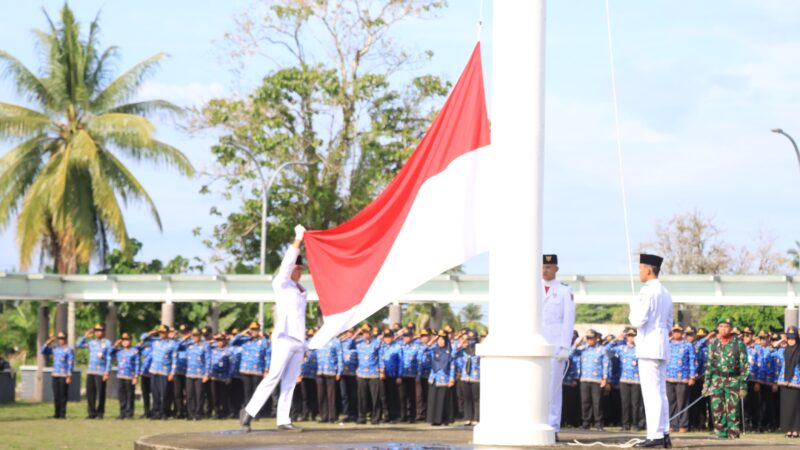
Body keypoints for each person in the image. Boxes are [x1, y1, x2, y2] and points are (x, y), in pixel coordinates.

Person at [240, 225, 308, 432]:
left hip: (298, 339)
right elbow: (287, 263)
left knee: (289, 382)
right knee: (274, 376)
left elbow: (301, 319)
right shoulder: (281, 283)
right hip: (284, 337)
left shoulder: (300, 290)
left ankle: (283, 419)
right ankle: (248, 412)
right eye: (299, 269)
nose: (301, 272)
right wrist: (298, 239)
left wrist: (304, 345)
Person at [629, 253, 673, 448]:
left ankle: (654, 435)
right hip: (662, 344)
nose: (639, 273)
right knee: (661, 392)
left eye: (640, 269)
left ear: (648, 269)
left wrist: (633, 306)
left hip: (648, 346)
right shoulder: (665, 292)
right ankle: (664, 433)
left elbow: (637, 320)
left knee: (651, 393)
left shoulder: (647, 292)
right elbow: (670, 323)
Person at [541, 254, 576, 437]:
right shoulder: (532, 288)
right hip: (537, 343)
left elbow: (568, 320)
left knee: (553, 388)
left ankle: (553, 427)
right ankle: (537, 422)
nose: (545, 270)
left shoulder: (564, 290)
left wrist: (565, 346)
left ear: (556, 269)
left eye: (548, 267)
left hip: (555, 345)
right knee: (536, 385)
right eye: (543, 267)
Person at [703, 317, 749, 439]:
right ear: (718, 328)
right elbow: (710, 365)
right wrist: (706, 384)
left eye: (727, 326)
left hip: (733, 380)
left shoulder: (738, 344)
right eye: (721, 326)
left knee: (733, 410)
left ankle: (733, 436)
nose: (724, 329)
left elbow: (744, 366)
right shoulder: (713, 344)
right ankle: (720, 435)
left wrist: (743, 385)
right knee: (717, 409)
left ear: (731, 328)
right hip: (717, 380)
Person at [230, 322, 270, 413]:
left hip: (258, 370)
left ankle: (257, 412)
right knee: (247, 392)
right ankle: (248, 412)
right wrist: (242, 333)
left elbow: (268, 356)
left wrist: (266, 370)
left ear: (259, 330)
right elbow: (231, 342)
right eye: (252, 329)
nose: (253, 331)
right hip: (245, 370)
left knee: (256, 393)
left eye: (255, 329)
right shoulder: (245, 340)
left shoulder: (264, 342)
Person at [76, 323, 112, 419]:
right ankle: (91, 413)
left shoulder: (107, 343)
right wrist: (85, 336)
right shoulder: (92, 343)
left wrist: (107, 372)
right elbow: (78, 345)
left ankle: (100, 413)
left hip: (101, 371)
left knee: (100, 393)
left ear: (104, 331)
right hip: (91, 371)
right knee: (90, 392)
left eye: (100, 330)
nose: (98, 332)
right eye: (96, 331)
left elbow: (109, 358)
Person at [142, 324, 178, 420]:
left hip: (164, 371)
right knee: (155, 393)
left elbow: (174, 359)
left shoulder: (172, 344)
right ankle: (155, 412)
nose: (162, 334)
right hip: (154, 370)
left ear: (167, 333)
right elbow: (143, 339)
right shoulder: (155, 341)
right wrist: (151, 333)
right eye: (160, 333)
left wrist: (172, 372)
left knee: (164, 393)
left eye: (163, 332)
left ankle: (164, 413)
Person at [666, 325, 696, 433]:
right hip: (669, 377)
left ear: (682, 333)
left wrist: (692, 376)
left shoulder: (688, 345)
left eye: (678, 332)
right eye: (674, 332)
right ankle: (672, 424)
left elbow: (692, 360)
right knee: (671, 402)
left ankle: (683, 424)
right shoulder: (668, 344)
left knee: (682, 402)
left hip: (683, 377)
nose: (676, 334)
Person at [612, 328, 644, 431]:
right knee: (625, 403)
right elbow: (606, 350)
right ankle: (625, 424)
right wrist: (616, 339)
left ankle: (635, 424)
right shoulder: (621, 348)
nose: (631, 337)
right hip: (624, 379)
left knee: (635, 404)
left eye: (633, 335)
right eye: (629, 335)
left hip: (636, 379)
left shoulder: (641, 348)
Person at [577, 330, 608, 431]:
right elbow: (570, 352)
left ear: (596, 338)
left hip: (597, 380)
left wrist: (605, 378)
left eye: (591, 338)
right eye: (588, 338)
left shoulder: (601, 350)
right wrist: (578, 342)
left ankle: (598, 423)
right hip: (585, 379)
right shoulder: (583, 349)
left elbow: (606, 365)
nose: (589, 340)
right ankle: (586, 422)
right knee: (585, 402)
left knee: (597, 402)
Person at [41, 332, 73, 419]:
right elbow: (42, 351)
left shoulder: (69, 349)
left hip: (64, 375)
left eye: (62, 338)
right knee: (56, 395)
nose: (60, 340)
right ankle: (56, 414)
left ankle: (62, 414)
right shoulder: (55, 348)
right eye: (59, 338)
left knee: (63, 395)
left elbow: (70, 363)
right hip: (55, 374)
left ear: (66, 339)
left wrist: (69, 376)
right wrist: (49, 341)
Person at [776, 325, 800, 438]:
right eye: (789, 338)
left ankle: (796, 429)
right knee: (786, 407)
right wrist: (782, 339)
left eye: (793, 338)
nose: (791, 340)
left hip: (797, 383)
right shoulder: (783, 351)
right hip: (784, 382)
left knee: (796, 407)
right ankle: (788, 429)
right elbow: (771, 348)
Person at [427, 330, 455, 426]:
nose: (440, 342)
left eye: (442, 340)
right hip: (434, 378)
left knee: (442, 401)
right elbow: (423, 349)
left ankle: (443, 420)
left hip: (444, 379)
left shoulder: (450, 352)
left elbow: (452, 366)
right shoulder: (434, 349)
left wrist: (452, 379)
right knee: (433, 400)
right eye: (439, 340)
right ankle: (434, 420)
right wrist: (432, 341)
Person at [356, 325, 383, 424]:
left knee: (375, 397)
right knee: (362, 397)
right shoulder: (359, 343)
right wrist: (356, 333)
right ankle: (361, 417)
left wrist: (381, 371)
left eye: (367, 332)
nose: (365, 334)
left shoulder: (377, 343)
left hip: (373, 373)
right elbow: (349, 344)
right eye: (363, 332)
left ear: (371, 332)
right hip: (361, 373)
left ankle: (375, 417)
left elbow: (381, 357)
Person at [315, 327, 343, 423]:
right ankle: (323, 416)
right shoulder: (318, 341)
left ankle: (332, 416)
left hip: (331, 370)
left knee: (331, 395)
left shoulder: (335, 341)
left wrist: (339, 371)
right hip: (320, 370)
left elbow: (340, 357)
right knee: (321, 395)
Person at [183, 328, 209, 421]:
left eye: (197, 335)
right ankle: (190, 413)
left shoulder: (205, 346)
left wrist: (206, 374)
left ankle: (198, 413)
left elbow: (208, 360)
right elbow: (177, 346)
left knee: (199, 395)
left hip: (200, 374)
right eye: (193, 335)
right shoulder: (189, 345)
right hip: (189, 373)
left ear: (200, 335)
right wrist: (186, 338)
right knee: (189, 395)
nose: (195, 337)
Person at [112, 333, 139, 419]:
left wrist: (136, 376)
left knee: (130, 395)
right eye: (123, 340)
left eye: (127, 340)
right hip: (121, 375)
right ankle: (122, 413)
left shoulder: (134, 351)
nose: (125, 342)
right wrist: (116, 345)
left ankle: (129, 413)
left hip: (130, 376)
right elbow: (109, 353)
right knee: (121, 395)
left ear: (130, 341)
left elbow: (137, 364)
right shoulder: (119, 351)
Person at [207, 333, 234, 419]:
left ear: (225, 341)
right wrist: (213, 340)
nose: (220, 342)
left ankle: (224, 413)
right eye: (218, 340)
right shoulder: (213, 350)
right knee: (214, 396)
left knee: (223, 396)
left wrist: (229, 376)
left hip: (224, 377)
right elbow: (205, 345)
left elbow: (231, 365)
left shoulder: (228, 351)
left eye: (221, 340)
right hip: (214, 376)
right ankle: (216, 412)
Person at [398, 329, 421, 423]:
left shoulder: (416, 347)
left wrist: (418, 376)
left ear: (412, 337)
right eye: (404, 336)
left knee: (412, 397)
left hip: (412, 375)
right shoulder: (400, 346)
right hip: (402, 374)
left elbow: (419, 362)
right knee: (402, 396)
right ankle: (403, 416)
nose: (406, 338)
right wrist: (398, 376)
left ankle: (412, 416)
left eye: (407, 336)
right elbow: (398, 362)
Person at [339, 329, 359, 422]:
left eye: (351, 332)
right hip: (343, 372)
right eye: (348, 332)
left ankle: (354, 414)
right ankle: (346, 413)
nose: (349, 334)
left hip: (353, 373)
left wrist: (357, 333)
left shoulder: (358, 343)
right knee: (344, 395)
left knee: (353, 395)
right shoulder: (342, 343)